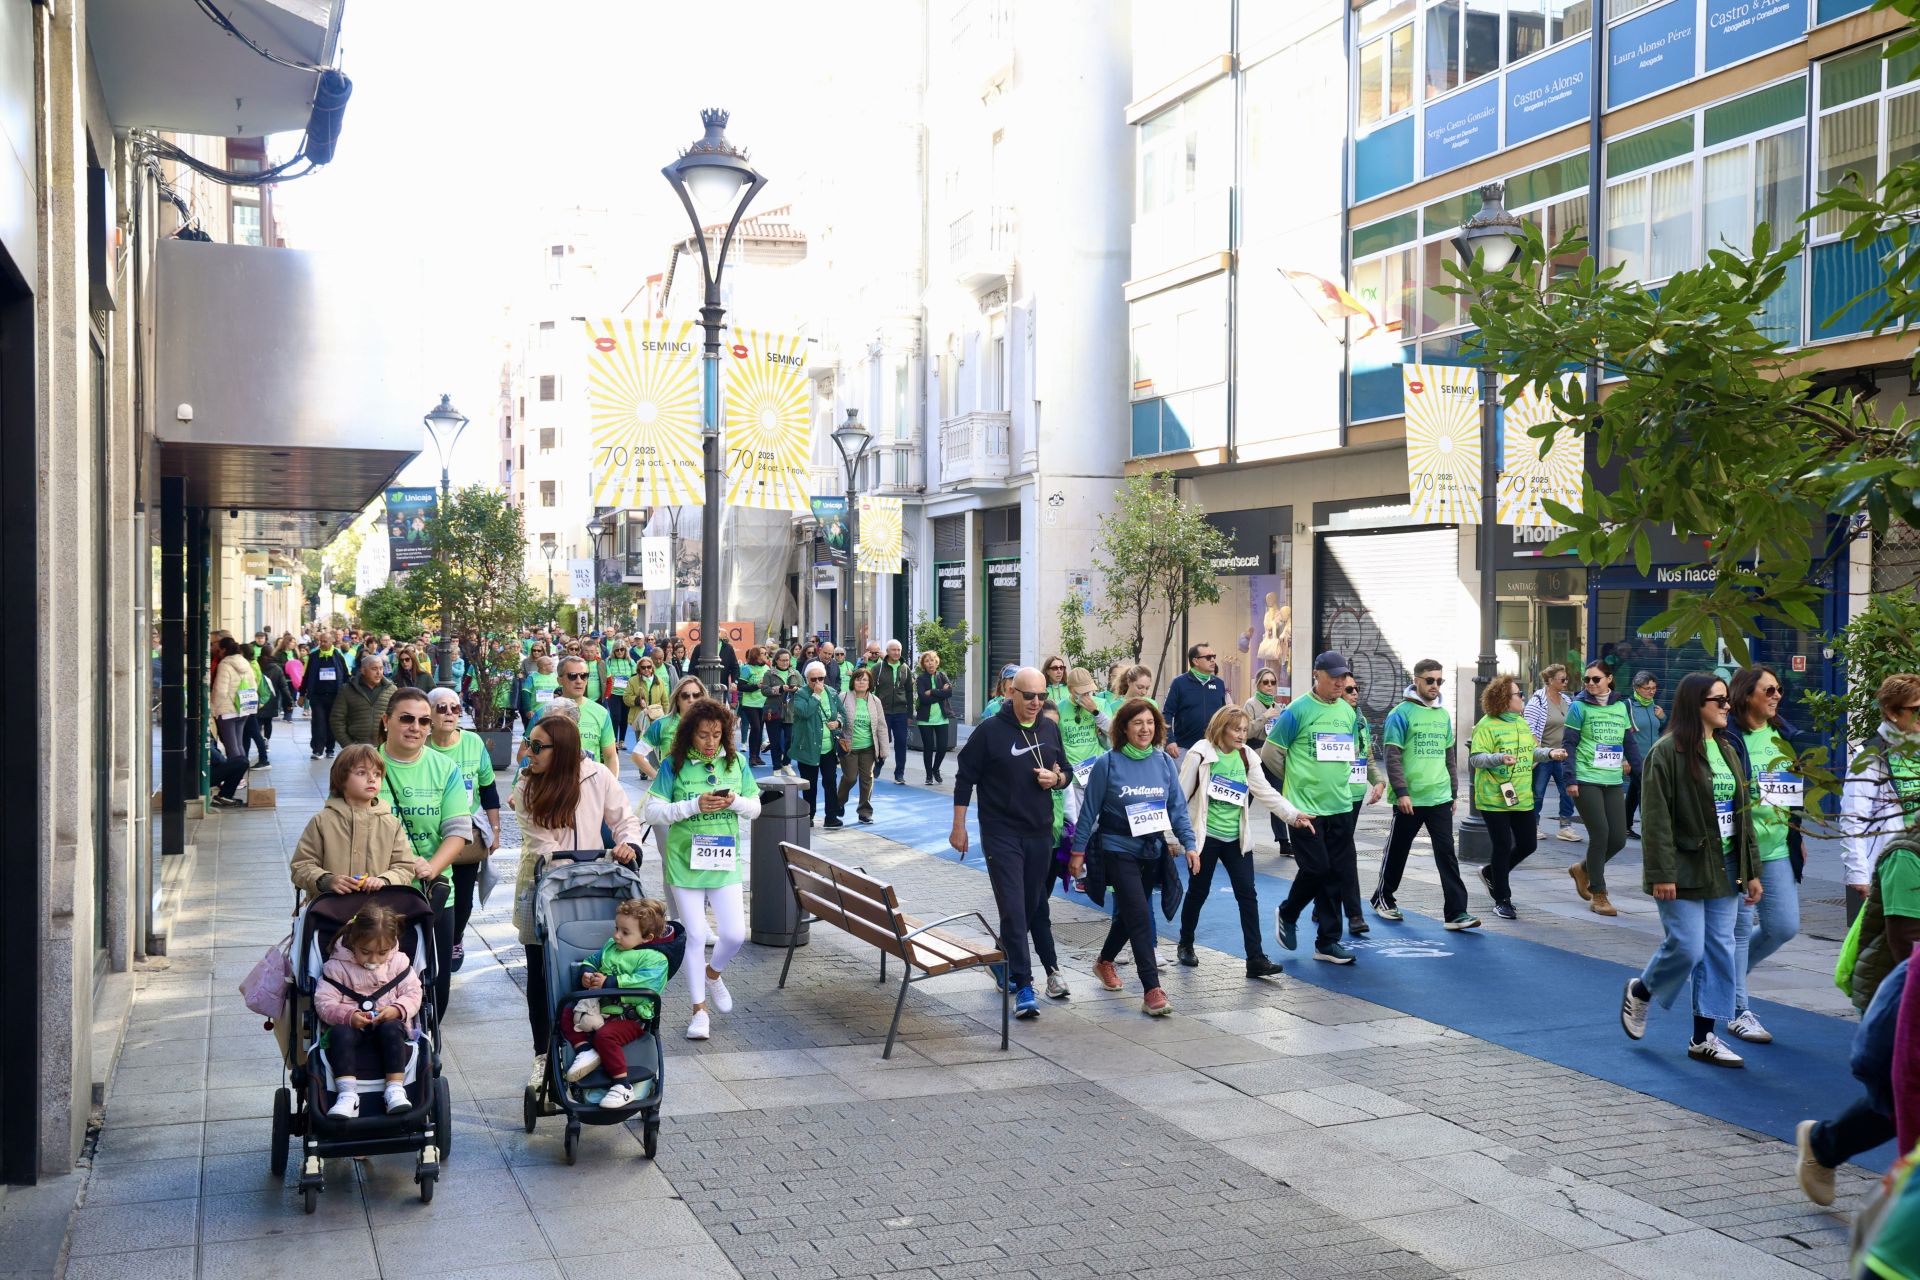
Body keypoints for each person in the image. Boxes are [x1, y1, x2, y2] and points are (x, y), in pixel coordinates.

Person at [1618, 672, 1762, 1068]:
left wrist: (1751, 870)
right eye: (1719, 700)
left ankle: (1703, 1037)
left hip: (1726, 864)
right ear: (1695, 704)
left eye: (1727, 699)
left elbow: (1742, 815)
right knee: (1686, 945)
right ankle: (1642, 991)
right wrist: (1661, 873)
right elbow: (1656, 818)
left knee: (1719, 949)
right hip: (1683, 865)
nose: (1727, 706)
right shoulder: (1666, 752)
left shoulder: (1728, 748)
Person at [510, 711, 642, 1087]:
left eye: (537, 746)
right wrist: (581, 866)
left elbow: (624, 818)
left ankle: (595, 1044)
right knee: (541, 974)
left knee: (591, 968)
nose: (528, 752)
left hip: (596, 887)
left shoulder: (597, 775)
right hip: (544, 887)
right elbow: (542, 845)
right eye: (529, 743)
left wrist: (628, 845)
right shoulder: (527, 784)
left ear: (563, 749)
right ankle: (542, 1055)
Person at [952, 666, 1070, 1020]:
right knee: (1014, 909)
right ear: (1011, 693)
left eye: (1042, 696)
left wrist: (1056, 779)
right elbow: (964, 778)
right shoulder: (989, 731)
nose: (1036, 702)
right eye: (1029, 695)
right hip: (1000, 833)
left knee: (1032, 905)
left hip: (1040, 833)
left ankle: (1002, 959)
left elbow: (1066, 770)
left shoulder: (1049, 727)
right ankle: (1025, 984)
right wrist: (959, 827)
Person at [1071, 698, 1197, 1016]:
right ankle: (1151, 989)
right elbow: (1089, 811)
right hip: (1117, 848)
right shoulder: (1107, 763)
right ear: (1124, 728)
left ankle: (1104, 961)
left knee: (1130, 914)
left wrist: (1190, 844)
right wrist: (1077, 851)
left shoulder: (1164, 762)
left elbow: (1177, 809)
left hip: (1152, 850)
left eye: (1150, 722)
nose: (1145, 729)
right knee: (1139, 914)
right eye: (1137, 723)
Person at [643, 697, 760, 1040]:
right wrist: (693, 806)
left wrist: (734, 802)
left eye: (716, 735)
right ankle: (699, 1011)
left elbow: (755, 808)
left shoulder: (736, 763)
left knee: (734, 934)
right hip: (685, 861)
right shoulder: (673, 765)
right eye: (703, 735)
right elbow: (652, 812)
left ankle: (713, 973)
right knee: (695, 935)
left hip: (724, 861)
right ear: (689, 733)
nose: (710, 742)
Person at [1176, 705, 1311, 978]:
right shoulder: (1200, 754)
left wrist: (1294, 815)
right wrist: (1176, 838)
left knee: (1248, 895)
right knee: (1198, 892)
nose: (1241, 735)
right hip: (1206, 837)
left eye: (1244, 730)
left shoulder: (1247, 756)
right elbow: (1179, 797)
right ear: (1221, 728)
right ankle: (1186, 942)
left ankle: (1255, 958)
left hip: (1236, 838)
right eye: (1236, 729)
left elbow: (1266, 792)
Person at [375, 687, 472, 1018]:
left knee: (435, 989)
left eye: (423, 721)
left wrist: (432, 867)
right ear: (386, 721)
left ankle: (425, 1046)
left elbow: (457, 833)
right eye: (406, 719)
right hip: (377, 895)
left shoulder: (444, 768)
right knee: (380, 985)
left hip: (432, 896)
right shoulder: (364, 765)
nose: (415, 727)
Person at [1264, 652, 1365, 965]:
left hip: (1340, 805)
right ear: (1316, 675)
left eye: (1343, 676)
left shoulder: (1347, 711)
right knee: (1317, 868)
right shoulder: (1297, 710)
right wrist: (1295, 783)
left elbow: (1349, 751)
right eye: (1333, 676)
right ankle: (1288, 912)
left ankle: (1327, 942)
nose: (1339, 682)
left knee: (1335, 874)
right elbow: (1271, 753)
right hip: (1305, 809)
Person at [1723, 665, 1801, 1045]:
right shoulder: (1729, 738)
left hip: (1777, 849)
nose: (1777, 695)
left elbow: (1792, 789)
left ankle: (1726, 977)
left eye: (1778, 689)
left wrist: (1796, 835)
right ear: (1745, 694)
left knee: (1784, 926)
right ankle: (1737, 1009)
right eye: (1768, 690)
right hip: (1740, 852)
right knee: (1739, 931)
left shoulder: (1782, 735)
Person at [1371, 660, 1479, 931]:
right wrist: (1402, 792)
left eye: (1439, 681)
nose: (1435, 685)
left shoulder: (1443, 715)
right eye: (1430, 680)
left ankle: (1456, 912)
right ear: (1416, 680)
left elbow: (1449, 756)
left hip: (1439, 796)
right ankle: (1383, 897)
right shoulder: (1400, 713)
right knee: (1398, 850)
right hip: (1410, 799)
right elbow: (1392, 756)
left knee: (1447, 854)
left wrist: (1452, 792)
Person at [1468, 676, 1566, 920]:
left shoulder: (1521, 723)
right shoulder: (1486, 725)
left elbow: (1530, 752)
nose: (1523, 697)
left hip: (1520, 795)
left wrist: (1550, 753)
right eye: (1518, 694)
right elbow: (1476, 758)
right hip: (1493, 798)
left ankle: (1491, 873)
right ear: (1504, 699)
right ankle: (1502, 899)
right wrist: (1498, 758)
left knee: (1528, 844)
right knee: (1502, 846)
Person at [563, 897, 671, 1107]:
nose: (616, 935)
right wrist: (587, 973)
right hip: (600, 1010)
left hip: (630, 1018)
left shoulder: (655, 959)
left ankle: (622, 1086)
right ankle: (585, 1050)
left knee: (605, 1036)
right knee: (567, 1012)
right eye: (616, 928)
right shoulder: (611, 946)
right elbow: (592, 960)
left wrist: (609, 982)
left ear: (647, 938)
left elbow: (646, 984)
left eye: (625, 932)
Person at [316, 904, 421, 1118]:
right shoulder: (337, 968)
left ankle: (395, 1089)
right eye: (365, 952)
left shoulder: (398, 963)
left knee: (392, 1028)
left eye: (382, 953)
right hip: (352, 1029)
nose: (373, 960)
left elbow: (413, 993)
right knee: (340, 1033)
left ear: (391, 946)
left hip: (388, 1026)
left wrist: (397, 1009)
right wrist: (348, 1016)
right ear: (353, 942)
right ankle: (347, 1095)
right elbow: (324, 1002)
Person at [426, 687, 502, 972]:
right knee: (433, 891)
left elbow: (488, 788)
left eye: (455, 708)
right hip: (431, 831)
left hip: (467, 832)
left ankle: (455, 937)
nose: (449, 713)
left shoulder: (472, 742)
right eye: (442, 708)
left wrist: (495, 829)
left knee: (463, 898)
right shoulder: (422, 744)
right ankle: (431, 940)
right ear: (429, 714)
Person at [1563, 660, 1642, 917]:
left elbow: (1629, 743)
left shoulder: (1622, 706)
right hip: (1586, 779)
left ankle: (1583, 869)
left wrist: (1642, 774)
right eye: (1587, 679)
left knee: (1618, 838)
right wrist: (1570, 779)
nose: (1590, 683)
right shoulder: (1578, 707)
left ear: (1609, 679)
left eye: (1596, 679)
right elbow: (1569, 744)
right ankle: (1599, 894)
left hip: (1613, 780)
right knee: (1600, 834)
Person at [289, 745, 417, 899]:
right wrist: (328, 881)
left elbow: (404, 867)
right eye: (361, 773)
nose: (372, 779)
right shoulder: (322, 821)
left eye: (377, 774)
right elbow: (301, 866)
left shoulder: (391, 823)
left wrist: (385, 880)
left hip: (379, 909)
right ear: (341, 779)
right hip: (332, 908)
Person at [1844, 674, 1920, 925]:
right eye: (1916, 709)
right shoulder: (1871, 756)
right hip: (1892, 868)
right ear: (1891, 712)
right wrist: (1858, 873)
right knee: (1895, 941)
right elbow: (1853, 818)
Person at [529, 656, 620, 778]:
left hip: (590, 783)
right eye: (572, 676)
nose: (579, 681)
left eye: (584, 676)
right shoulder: (543, 712)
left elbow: (611, 756)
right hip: (553, 784)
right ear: (559, 680)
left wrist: (612, 785)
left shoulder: (601, 713)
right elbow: (526, 754)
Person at [1523, 664, 1579, 841]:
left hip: (1564, 755)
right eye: (1562, 679)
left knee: (1567, 791)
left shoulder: (1567, 700)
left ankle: (1565, 827)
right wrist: (1541, 752)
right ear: (1550, 680)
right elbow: (1529, 730)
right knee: (1538, 793)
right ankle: (1532, 826)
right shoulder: (1537, 702)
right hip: (1545, 756)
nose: (1565, 682)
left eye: (1566, 678)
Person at [1244, 667, 1294, 853]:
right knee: (1245, 798)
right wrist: (1264, 717)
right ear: (1258, 684)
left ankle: (1283, 841)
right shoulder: (1250, 704)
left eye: (1273, 682)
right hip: (1255, 756)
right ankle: (1239, 836)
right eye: (1265, 682)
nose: (1269, 686)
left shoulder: (1278, 708)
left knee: (1278, 797)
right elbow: (1246, 731)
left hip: (1273, 758)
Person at [789, 662, 844, 827]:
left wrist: (838, 723)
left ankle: (831, 817)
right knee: (809, 784)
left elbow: (842, 713)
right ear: (807, 679)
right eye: (813, 679)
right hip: (808, 747)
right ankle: (809, 815)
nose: (818, 682)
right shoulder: (801, 694)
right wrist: (816, 695)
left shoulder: (832, 692)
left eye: (821, 678)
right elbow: (805, 712)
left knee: (830, 781)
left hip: (828, 747)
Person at [835, 666, 890, 825]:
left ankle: (865, 812)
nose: (861, 682)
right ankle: (839, 802)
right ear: (853, 681)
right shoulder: (844, 697)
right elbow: (837, 716)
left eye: (864, 680)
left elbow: (881, 726)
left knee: (867, 779)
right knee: (850, 778)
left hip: (868, 747)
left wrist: (884, 750)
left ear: (869, 683)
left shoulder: (875, 701)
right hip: (849, 747)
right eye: (858, 679)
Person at [1161, 642, 1227, 760]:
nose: (1213, 660)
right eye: (1208, 657)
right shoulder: (1179, 683)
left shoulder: (1219, 684)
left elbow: (1223, 715)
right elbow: (1167, 713)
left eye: (1214, 656)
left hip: (1213, 748)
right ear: (1195, 661)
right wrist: (1169, 740)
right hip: (1184, 748)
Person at [634, 675, 707, 781]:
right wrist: (658, 777)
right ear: (677, 699)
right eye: (685, 696)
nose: (691, 700)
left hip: (704, 786)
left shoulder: (712, 724)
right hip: (672, 787)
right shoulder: (662, 724)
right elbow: (637, 754)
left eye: (696, 695)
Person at [1624, 672, 1665, 837]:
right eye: (1647, 688)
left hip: (1652, 758)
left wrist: (1662, 717)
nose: (1651, 691)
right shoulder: (1628, 706)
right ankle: (1649, 831)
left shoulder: (1653, 706)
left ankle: (1624, 826)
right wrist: (1624, 759)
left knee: (1634, 792)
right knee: (1646, 791)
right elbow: (1620, 733)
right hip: (1635, 759)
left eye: (1654, 688)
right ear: (1637, 688)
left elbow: (1660, 729)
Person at [331, 652, 396, 749]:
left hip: (384, 748)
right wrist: (348, 745)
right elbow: (337, 720)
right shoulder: (347, 689)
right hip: (356, 747)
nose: (379, 673)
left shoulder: (391, 690)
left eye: (381, 668)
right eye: (374, 669)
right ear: (363, 670)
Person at [873, 640, 915, 784]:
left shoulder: (905, 668)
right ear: (887, 651)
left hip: (901, 712)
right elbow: (870, 688)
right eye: (893, 650)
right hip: (883, 711)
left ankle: (899, 774)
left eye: (898, 650)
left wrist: (910, 713)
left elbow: (909, 692)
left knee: (901, 743)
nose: (896, 653)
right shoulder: (878, 668)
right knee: (883, 741)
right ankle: (879, 764)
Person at [210, 636, 256, 768]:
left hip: (227, 710)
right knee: (239, 744)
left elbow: (220, 691)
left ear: (224, 650)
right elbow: (253, 685)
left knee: (231, 747)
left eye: (219, 650)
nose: (218, 653)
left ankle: (237, 775)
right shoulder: (245, 662)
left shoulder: (224, 665)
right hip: (244, 708)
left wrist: (212, 708)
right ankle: (242, 773)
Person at [302, 633, 350, 758]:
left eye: (325, 641)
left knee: (331, 723)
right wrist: (302, 694)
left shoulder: (338, 656)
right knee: (318, 723)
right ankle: (317, 750)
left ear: (331, 641)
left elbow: (346, 675)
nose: (322, 644)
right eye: (321, 641)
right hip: (317, 696)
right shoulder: (313, 656)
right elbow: (306, 676)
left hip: (335, 696)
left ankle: (330, 749)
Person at [913, 650, 955, 784]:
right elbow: (923, 699)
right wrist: (941, 693)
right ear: (923, 665)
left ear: (936, 662)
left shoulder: (942, 676)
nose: (930, 663)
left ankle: (935, 769)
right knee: (928, 747)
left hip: (942, 718)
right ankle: (929, 776)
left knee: (942, 747)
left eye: (932, 660)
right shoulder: (921, 679)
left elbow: (949, 693)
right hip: (925, 719)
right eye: (927, 661)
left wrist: (932, 691)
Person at [761, 650, 804, 774]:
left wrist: (796, 689)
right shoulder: (769, 674)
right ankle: (776, 767)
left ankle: (786, 763)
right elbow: (764, 690)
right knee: (775, 741)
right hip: (773, 711)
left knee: (790, 740)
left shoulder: (796, 674)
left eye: (787, 660)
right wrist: (779, 688)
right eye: (782, 660)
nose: (785, 663)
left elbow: (804, 690)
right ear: (776, 660)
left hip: (791, 712)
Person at [736, 645, 768, 764]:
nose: (766, 655)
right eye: (763, 653)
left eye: (766, 653)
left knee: (759, 729)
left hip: (763, 703)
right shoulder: (746, 668)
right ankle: (752, 756)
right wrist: (756, 686)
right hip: (750, 704)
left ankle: (757, 756)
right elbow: (740, 686)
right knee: (756, 728)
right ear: (756, 655)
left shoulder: (767, 668)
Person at [604, 640, 638, 749]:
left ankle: (622, 740)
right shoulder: (608, 661)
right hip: (613, 693)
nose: (619, 652)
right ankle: (613, 740)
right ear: (613, 651)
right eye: (617, 650)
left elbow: (635, 676)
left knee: (624, 717)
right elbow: (606, 676)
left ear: (625, 650)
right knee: (615, 717)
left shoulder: (630, 661)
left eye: (622, 649)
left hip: (626, 694)